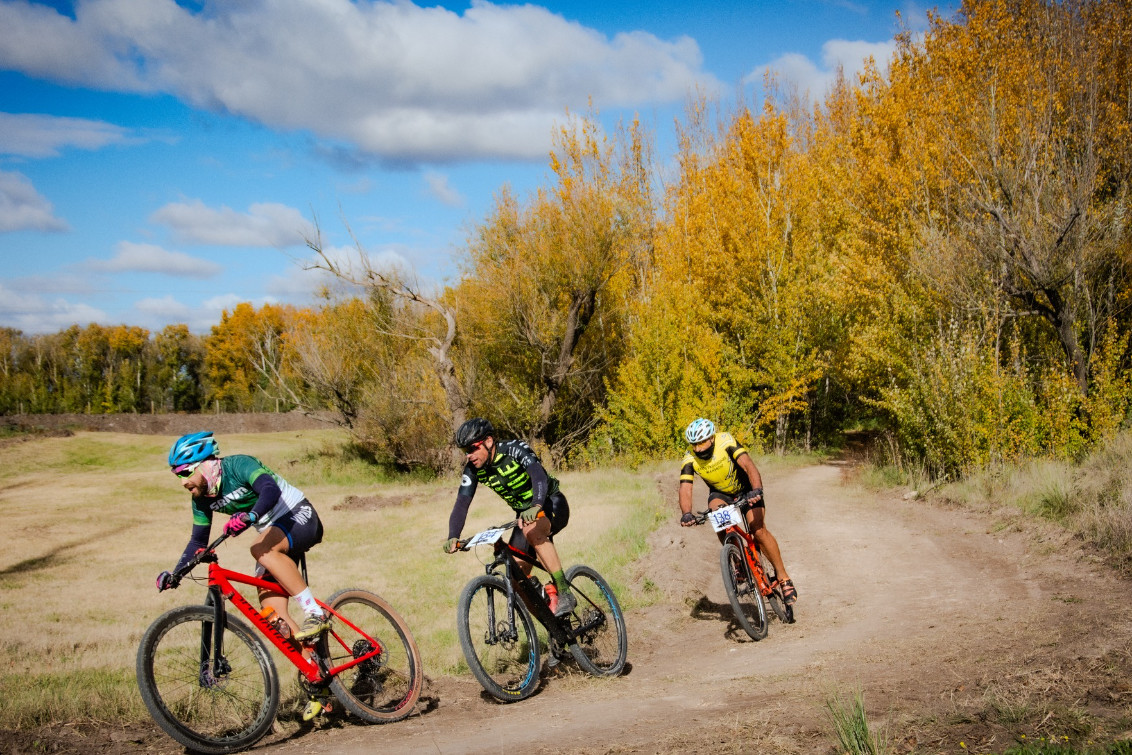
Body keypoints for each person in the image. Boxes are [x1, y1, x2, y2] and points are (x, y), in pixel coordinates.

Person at [156, 431, 330, 640]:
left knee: (259, 549)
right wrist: (176, 574)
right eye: (177, 476)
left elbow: (269, 488)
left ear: (205, 465)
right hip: (271, 534)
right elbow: (197, 541)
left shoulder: (238, 465)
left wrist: (251, 515)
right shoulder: (201, 499)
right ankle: (316, 669)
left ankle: (315, 613)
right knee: (274, 618)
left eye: (185, 473)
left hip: (297, 515)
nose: (182, 482)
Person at [442, 418, 576, 617]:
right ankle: (552, 624)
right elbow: (462, 503)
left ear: (488, 441)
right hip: (524, 516)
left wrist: (536, 505)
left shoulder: (513, 449)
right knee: (515, 579)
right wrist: (453, 535)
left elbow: (538, 476)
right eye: (465, 452)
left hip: (550, 502)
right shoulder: (473, 469)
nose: (469, 456)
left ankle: (565, 591)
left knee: (532, 531)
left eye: (472, 448)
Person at [677, 418, 797, 604]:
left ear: (711, 438)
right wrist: (686, 512)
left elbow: (748, 465)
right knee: (717, 516)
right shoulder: (690, 458)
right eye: (694, 444)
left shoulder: (725, 441)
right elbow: (686, 487)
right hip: (721, 493)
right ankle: (736, 559)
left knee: (758, 530)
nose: (698, 448)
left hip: (747, 489)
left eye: (701, 442)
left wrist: (756, 489)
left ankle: (783, 577)